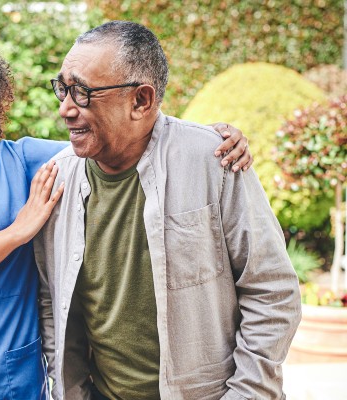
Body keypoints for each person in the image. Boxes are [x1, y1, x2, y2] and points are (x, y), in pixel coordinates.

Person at [0, 14, 252, 399]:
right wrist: (15, 233)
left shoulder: (18, 162)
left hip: (9, 385)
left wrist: (207, 136)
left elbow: (117, 134)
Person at [34, 21, 302, 400]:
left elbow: (272, 289)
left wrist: (248, 393)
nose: (65, 109)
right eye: (63, 88)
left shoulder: (215, 160)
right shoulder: (56, 179)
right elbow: (52, 301)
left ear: (141, 101)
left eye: (82, 92)